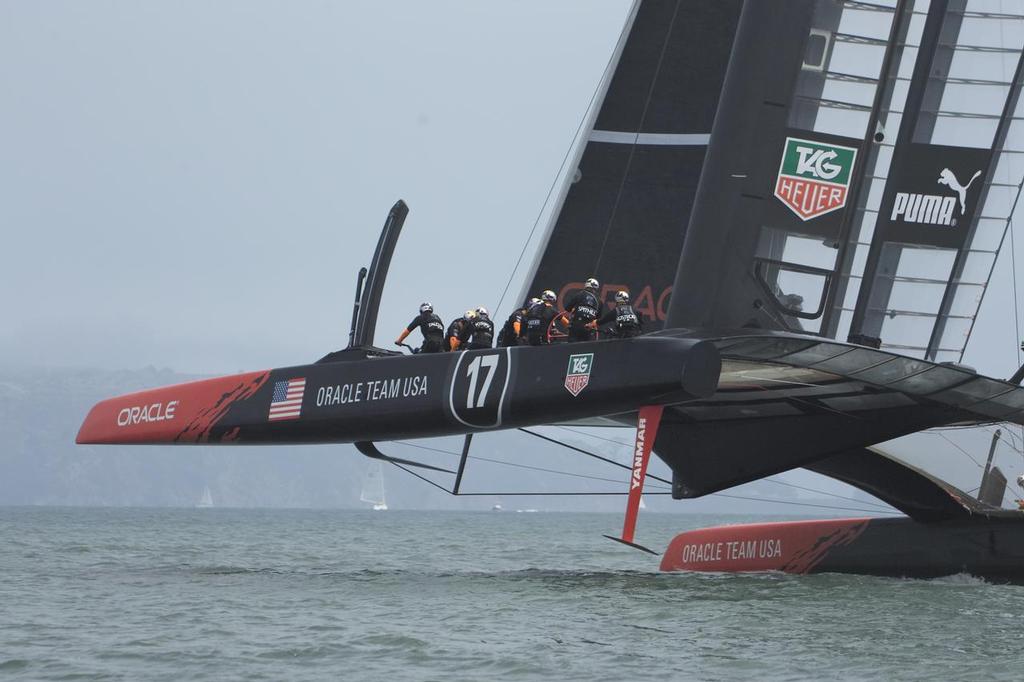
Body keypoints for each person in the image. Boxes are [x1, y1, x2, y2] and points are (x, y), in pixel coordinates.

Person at [564, 277, 601, 342]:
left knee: (572, 345)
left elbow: (567, 308)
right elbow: (598, 318)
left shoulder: (580, 294)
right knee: (585, 347)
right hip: (588, 328)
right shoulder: (599, 301)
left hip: (576, 325)